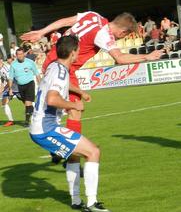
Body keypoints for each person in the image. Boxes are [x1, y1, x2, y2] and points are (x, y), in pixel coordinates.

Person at [21, 11, 163, 135]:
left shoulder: (93, 15)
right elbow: (120, 58)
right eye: (124, 36)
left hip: (54, 60)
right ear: (123, 32)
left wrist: (41, 32)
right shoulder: (104, 35)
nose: (120, 39)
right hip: (63, 66)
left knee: (65, 108)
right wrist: (147, 56)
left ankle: (65, 151)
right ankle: (70, 153)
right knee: (72, 110)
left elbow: (65, 21)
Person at [29, 35, 111, 212]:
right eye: (78, 50)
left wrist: (80, 91)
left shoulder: (54, 66)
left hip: (43, 125)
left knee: (74, 156)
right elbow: (52, 99)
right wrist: (74, 104)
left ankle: (76, 200)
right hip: (46, 128)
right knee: (93, 152)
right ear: (73, 53)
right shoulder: (60, 71)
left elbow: (63, 85)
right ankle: (92, 203)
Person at [7, 47, 41, 126]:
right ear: (16, 55)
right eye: (18, 54)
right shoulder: (13, 64)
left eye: (21, 54)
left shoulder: (30, 62)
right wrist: (10, 89)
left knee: (28, 103)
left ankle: (27, 121)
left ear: (24, 54)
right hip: (20, 86)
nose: (20, 56)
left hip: (29, 84)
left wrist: (41, 84)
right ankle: (37, 114)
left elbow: (37, 74)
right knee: (26, 104)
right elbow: (11, 78)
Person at [1, 58, 14, 126]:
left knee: (26, 101)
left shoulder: (6, 68)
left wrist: (8, 89)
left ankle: (39, 111)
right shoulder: (1, 69)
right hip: (8, 87)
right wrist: (2, 87)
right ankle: (10, 120)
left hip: (15, 86)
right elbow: (3, 79)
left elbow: (10, 79)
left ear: (1, 60)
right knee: (4, 103)